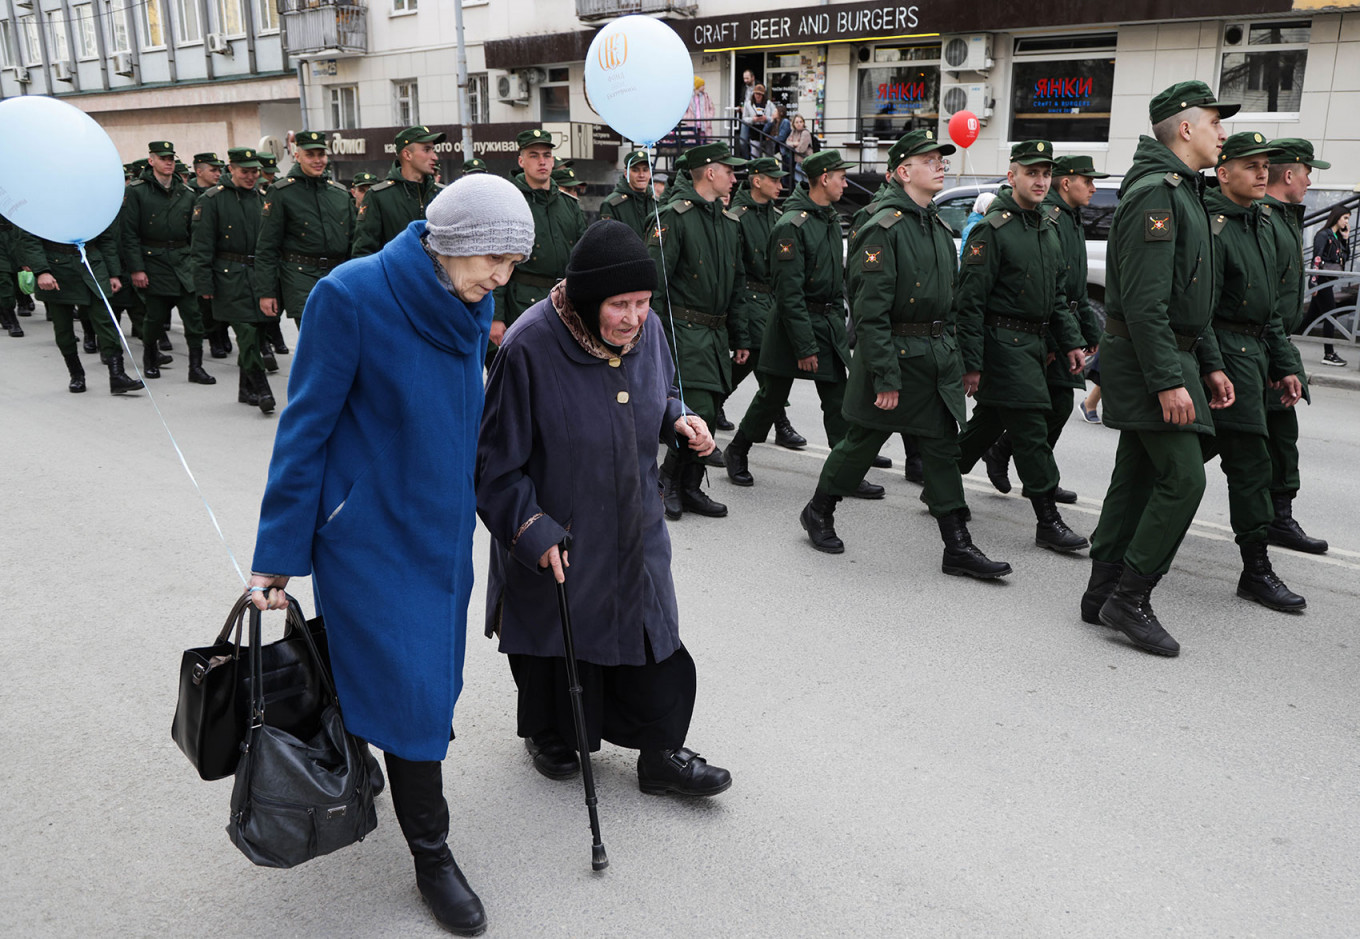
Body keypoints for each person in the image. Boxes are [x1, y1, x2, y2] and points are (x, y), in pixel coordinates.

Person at [246, 174, 534, 937]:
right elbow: (303, 432)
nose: (498, 280)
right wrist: (276, 555)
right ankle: (432, 854)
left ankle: (360, 754)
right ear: (450, 243)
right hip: (369, 540)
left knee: (423, 684)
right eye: (491, 261)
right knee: (413, 699)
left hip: (442, 537)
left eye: (510, 266)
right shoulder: (351, 297)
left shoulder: (471, 302)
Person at [475, 219, 732, 800]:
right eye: (620, 305)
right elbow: (492, 466)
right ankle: (550, 735)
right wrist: (532, 530)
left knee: (651, 635)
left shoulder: (649, 329)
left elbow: (664, 390)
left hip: (634, 522)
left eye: (642, 303)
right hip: (558, 531)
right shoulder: (528, 346)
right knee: (557, 643)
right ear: (590, 301)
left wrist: (678, 420)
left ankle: (661, 753)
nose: (634, 318)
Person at [804, 130, 1010, 576]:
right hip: (894, 358)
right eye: (930, 160)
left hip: (933, 359)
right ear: (903, 171)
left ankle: (957, 545)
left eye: (941, 159)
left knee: (941, 450)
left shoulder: (933, 223)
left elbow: (950, 303)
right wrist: (885, 376)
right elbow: (870, 312)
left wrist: (962, 363)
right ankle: (819, 510)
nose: (941, 166)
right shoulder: (883, 226)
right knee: (860, 445)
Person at [1080, 81, 1237, 657]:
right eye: (1216, 122)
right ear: (1187, 128)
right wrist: (1170, 379)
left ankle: (1101, 591)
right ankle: (1132, 596)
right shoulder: (1157, 193)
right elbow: (1146, 304)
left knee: (1137, 478)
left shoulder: (1183, 191)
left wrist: (1211, 365)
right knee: (1184, 478)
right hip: (1152, 359)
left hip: (1174, 352)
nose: (1224, 133)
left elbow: (1195, 296)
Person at [725, 150, 885, 502]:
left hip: (825, 323)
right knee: (771, 397)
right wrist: (804, 346)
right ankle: (738, 449)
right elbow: (788, 293)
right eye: (841, 177)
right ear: (824, 178)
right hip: (792, 329)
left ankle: (846, 471)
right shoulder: (791, 225)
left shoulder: (827, 217)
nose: (846, 183)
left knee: (837, 399)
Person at [954, 140, 1088, 553]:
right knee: (1031, 427)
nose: (1041, 181)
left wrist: (1071, 343)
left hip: (1033, 342)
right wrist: (971, 363)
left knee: (989, 424)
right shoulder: (991, 230)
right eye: (1032, 173)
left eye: (1046, 173)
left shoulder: (1046, 228)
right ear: (1012, 177)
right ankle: (1047, 520)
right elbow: (969, 302)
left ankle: (940, 482)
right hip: (1002, 344)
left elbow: (1056, 296)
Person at [1202, 131, 1307, 612]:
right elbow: (1198, 309)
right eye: (1251, 165)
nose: (1263, 172)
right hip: (1224, 360)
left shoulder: (1261, 225)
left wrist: (1286, 367)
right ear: (1224, 173)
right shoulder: (1214, 226)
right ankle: (1256, 569)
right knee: (1242, 468)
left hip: (1255, 355)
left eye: (1266, 164)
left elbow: (1270, 312)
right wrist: (1214, 366)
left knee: (1241, 464)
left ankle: (1255, 568)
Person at [988, 153, 1109, 504]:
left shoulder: (1069, 218)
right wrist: (1058, 338)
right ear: (1068, 183)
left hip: (1060, 324)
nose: (1093, 188)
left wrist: (1090, 337)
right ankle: (1023, 472)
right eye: (1087, 180)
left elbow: (1074, 292)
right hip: (1039, 330)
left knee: (1051, 407)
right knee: (1028, 410)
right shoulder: (1051, 218)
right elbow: (1047, 290)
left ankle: (1026, 469)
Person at [646, 142, 749, 519]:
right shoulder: (674, 217)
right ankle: (667, 480)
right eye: (729, 170)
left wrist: (740, 336)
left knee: (713, 407)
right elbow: (654, 286)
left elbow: (737, 287)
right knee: (697, 411)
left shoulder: (727, 221)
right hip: (683, 331)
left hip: (716, 333)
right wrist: (655, 341)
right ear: (709, 173)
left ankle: (690, 487)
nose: (735, 178)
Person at [1261, 138, 1330, 555]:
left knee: (1280, 438)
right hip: (1258, 347)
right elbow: (1261, 300)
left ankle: (1277, 519)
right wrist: (1281, 360)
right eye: (1307, 172)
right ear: (1289, 174)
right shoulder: (1265, 220)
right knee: (1217, 444)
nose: (1308, 181)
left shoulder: (1285, 218)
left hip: (1273, 344)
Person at [719, 157, 806, 450]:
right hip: (748, 294)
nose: (781, 185)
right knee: (763, 360)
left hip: (771, 297)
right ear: (757, 181)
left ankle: (715, 398)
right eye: (775, 179)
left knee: (754, 361)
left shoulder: (776, 215)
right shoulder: (737, 216)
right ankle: (780, 424)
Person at [119, 140, 215, 384]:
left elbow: (196, 232)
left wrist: (197, 262)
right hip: (154, 261)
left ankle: (196, 367)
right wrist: (137, 269)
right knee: (155, 316)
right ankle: (150, 357)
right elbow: (129, 234)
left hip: (183, 261)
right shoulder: (138, 191)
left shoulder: (187, 193)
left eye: (171, 158)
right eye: (163, 159)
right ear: (151, 161)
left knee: (193, 317)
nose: (168, 162)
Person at [191, 147, 276, 413]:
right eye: (245, 172)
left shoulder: (262, 200)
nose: (251, 177)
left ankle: (245, 388)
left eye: (254, 172)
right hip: (228, 276)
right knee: (247, 334)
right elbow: (201, 246)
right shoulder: (212, 200)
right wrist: (203, 284)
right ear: (232, 169)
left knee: (258, 330)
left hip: (257, 275)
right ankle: (262, 388)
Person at [490, 129, 587, 355]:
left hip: (565, 302)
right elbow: (496, 260)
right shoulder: (509, 201)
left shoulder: (568, 204)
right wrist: (496, 317)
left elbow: (583, 257)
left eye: (546, 155)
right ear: (521, 161)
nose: (542, 161)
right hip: (523, 302)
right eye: (534, 155)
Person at [18, 224, 144, 395]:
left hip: (92, 265)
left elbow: (106, 239)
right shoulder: (44, 202)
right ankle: (76, 375)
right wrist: (42, 271)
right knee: (63, 330)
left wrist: (113, 273)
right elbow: (30, 239)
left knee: (106, 321)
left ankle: (118, 375)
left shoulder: (91, 201)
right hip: (56, 268)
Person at [255, 131, 355, 330]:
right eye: (310, 155)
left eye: (321, 154)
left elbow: (353, 242)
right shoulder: (282, 193)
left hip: (337, 275)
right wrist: (267, 292)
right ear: (297, 155)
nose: (318, 160)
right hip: (300, 277)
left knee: (342, 339)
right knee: (316, 338)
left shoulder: (340, 194)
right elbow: (267, 246)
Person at [352, 125, 446, 257]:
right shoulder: (379, 196)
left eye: (433, 150)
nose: (435, 157)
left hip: (436, 276)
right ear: (407, 154)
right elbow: (364, 251)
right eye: (427, 150)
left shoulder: (443, 195)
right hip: (396, 276)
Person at [1308, 203, 1350, 367]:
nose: (1346, 222)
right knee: (1332, 315)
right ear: (1337, 217)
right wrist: (1313, 283)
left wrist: (1345, 241)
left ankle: (1286, 338)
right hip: (1321, 282)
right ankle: (1329, 353)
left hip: (1329, 282)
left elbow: (1343, 260)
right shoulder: (1323, 235)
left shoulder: (1337, 237)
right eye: (1345, 218)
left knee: (1310, 318)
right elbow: (1316, 259)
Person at [598, 149, 656, 242]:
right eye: (635, 170)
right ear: (626, 173)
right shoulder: (612, 204)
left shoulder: (656, 202)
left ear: (650, 173)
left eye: (645, 170)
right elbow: (608, 242)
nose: (641, 175)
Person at [958, 191, 996, 259]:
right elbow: (967, 257)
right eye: (992, 205)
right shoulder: (974, 228)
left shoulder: (990, 224)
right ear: (984, 207)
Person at [743, 84, 776, 159]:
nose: (758, 96)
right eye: (756, 94)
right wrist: (753, 119)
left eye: (760, 94)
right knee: (755, 155)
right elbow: (744, 118)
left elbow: (774, 117)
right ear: (753, 94)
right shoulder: (748, 104)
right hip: (754, 131)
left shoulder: (769, 104)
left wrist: (766, 118)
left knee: (769, 156)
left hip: (767, 132)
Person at [682, 75, 716, 143]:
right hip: (692, 124)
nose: (704, 87)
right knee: (693, 144)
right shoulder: (689, 97)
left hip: (704, 124)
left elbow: (712, 108)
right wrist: (687, 117)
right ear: (697, 86)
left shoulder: (706, 96)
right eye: (702, 85)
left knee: (704, 144)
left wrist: (709, 116)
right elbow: (683, 110)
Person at [785, 114, 813, 184]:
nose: (799, 124)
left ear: (803, 123)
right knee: (798, 183)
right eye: (797, 122)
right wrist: (795, 144)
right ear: (793, 124)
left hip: (806, 162)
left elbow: (801, 149)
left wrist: (794, 147)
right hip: (798, 162)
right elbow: (787, 142)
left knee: (806, 183)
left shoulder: (805, 133)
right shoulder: (793, 132)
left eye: (801, 122)